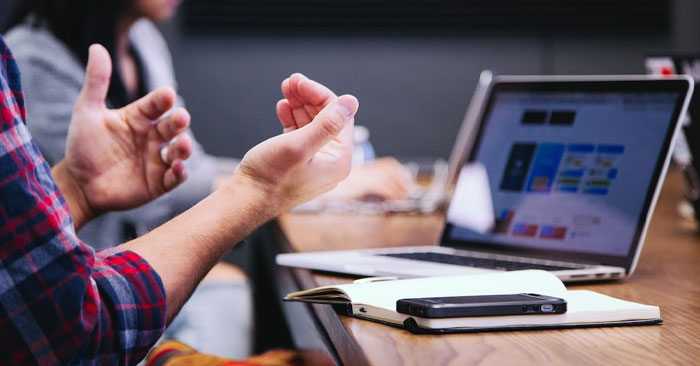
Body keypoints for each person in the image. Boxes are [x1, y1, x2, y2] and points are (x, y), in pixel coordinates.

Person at [3, 0, 410, 357]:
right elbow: (73, 328)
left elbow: (183, 170)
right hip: (92, 305)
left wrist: (76, 188)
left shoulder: (143, 41)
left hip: (107, 292)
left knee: (232, 291)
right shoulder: (30, 59)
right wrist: (269, 187)